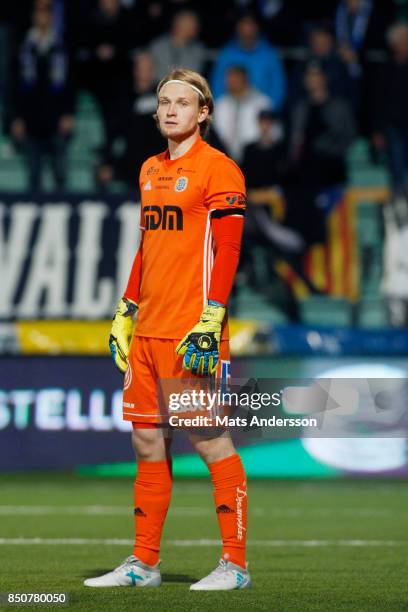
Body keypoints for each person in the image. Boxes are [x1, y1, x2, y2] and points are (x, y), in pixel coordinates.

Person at [84, 68, 250, 591]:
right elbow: (147, 246)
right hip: (149, 331)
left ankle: (236, 565)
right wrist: (125, 309)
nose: (171, 110)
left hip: (190, 332)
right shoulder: (149, 169)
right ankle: (143, 564)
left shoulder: (219, 170)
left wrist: (211, 318)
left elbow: (228, 250)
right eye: (164, 102)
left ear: (204, 114)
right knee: (147, 442)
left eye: (183, 102)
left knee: (209, 440)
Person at [10, 3, 74, 191]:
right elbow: (14, 85)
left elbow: (71, 84)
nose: (43, 16)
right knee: (33, 175)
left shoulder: (62, 45)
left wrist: (69, 112)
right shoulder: (23, 47)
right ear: (33, 16)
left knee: (60, 175)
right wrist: (16, 117)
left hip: (57, 120)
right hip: (31, 121)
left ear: (52, 16)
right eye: (39, 11)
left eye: (46, 12)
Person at [211, 13, 286, 110]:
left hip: (263, 112)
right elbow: (217, 88)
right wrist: (222, 111)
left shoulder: (270, 55)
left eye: (250, 24)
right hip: (231, 110)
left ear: (257, 27)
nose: (247, 29)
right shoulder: (227, 54)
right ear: (237, 28)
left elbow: (278, 89)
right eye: (243, 25)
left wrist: (269, 113)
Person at [370, 23, 408, 195]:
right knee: (396, 170)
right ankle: (400, 207)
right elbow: (377, 102)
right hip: (393, 127)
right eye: (401, 41)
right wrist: (377, 130)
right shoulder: (384, 69)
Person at [213, 65, 271, 162]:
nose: (229, 82)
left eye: (235, 79)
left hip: (254, 158)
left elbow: (272, 135)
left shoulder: (262, 103)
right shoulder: (220, 104)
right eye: (228, 79)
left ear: (244, 80)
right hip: (224, 158)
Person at [149, 9, 206, 81]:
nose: (196, 27)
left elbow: (193, 76)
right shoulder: (158, 46)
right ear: (178, 25)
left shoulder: (197, 50)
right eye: (191, 24)